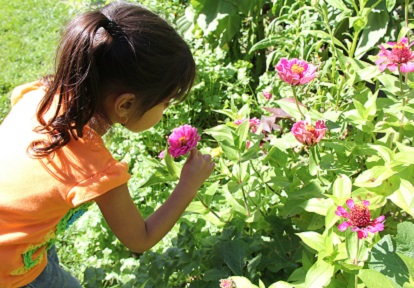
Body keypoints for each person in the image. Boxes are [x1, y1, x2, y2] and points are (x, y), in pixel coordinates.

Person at [0, 2, 215, 287]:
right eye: (165, 103)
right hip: (9, 264)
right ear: (125, 104)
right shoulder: (93, 168)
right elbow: (140, 238)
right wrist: (188, 184)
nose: (165, 111)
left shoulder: (38, 94)